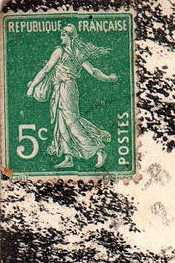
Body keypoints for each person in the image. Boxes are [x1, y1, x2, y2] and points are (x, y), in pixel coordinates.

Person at [26, 24, 118, 169]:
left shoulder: (60, 51)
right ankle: (68, 157)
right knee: (61, 122)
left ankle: (98, 149)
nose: (61, 38)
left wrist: (32, 86)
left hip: (66, 89)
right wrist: (108, 78)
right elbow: (93, 71)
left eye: (63, 35)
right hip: (61, 89)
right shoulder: (77, 53)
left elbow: (46, 69)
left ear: (69, 36)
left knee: (71, 121)